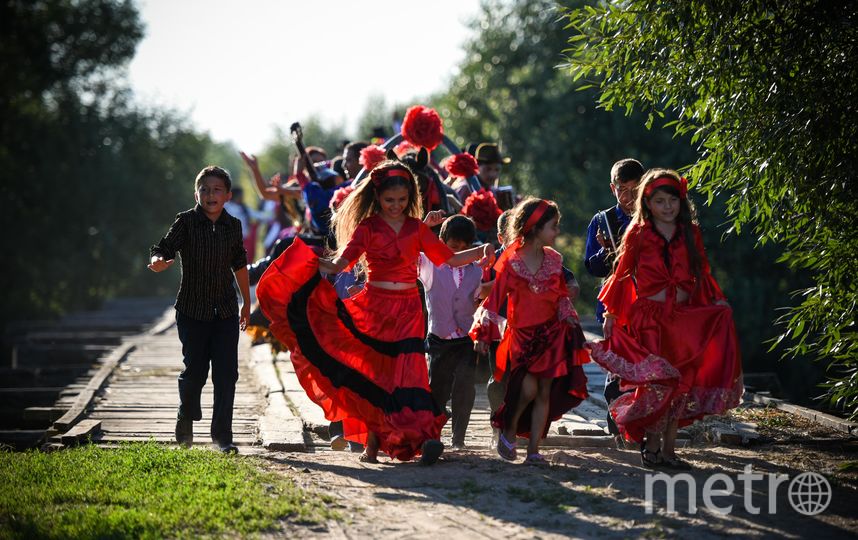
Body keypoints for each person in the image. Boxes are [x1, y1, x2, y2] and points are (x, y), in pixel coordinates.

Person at [256, 160, 494, 465]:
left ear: (411, 198)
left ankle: (423, 438)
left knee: (410, 375)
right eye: (389, 200)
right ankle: (372, 448)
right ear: (377, 198)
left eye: (402, 200)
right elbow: (340, 263)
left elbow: (448, 259)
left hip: (409, 310)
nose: (396, 206)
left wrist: (482, 252)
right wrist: (313, 263)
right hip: (374, 307)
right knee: (376, 377)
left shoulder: (417, 228)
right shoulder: (368, 227)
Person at [591, 168, 743, 470]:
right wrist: (611, 312)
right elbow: (621, 274)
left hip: (684, 322)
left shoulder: (691, 233)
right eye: (660, 201)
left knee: (681, 387)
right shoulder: (638, 233)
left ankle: (670, 452)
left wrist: (716, 302)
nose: (667, 207)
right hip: (651, 322)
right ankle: (652, 447)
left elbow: (703, 273)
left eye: (672, 200)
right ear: (648, 203)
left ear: (681, 201)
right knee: (659, 384)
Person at [471, 198, 589, 464]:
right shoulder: (512, 261)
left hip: (551, 336)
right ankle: (509, 430)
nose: (557, 232)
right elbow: (495, 297)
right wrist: (482, 331)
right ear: (536, 228)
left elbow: (560, 296)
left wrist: (569, 317)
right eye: (553, 226)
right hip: (522, 338)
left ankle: (534, 450)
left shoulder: (555, 260)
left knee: (544, 392)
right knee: (526, 391)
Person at [148, 166, 250, 453]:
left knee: (227, 373)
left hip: (226, 310)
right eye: (204, 189)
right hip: (192, 310)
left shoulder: (234, 225)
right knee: (195, 372)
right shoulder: (186, 222)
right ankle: (185, 416)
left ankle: (222, 437)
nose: (210, 194)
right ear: (197, 194)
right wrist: (158, 260)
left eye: (217, 190)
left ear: (228, 196)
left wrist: (247, 303)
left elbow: (239, 263)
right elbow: (164, 247)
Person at [583, 158, 643, 444]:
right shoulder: (602, 220)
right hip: (613, 305)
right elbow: (591, 267)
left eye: (634, 190)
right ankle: (619, 427)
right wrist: (607, 252)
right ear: (612, 188)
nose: (628, 198)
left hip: (646, 305)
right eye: (622, 190)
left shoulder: (652, 216)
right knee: (617, 371)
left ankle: (639, 426)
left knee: (644, 367)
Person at [419, 215, 483, 449]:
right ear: (441, 242)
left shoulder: (476, 271)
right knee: (437, 388)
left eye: (465, 249)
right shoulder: (429, 265)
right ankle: (432, 435)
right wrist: (424, 226)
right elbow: (409, 247)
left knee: (465, 387)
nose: (459, 254)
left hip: (466, 338)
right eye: (454, 248)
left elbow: (476, 298)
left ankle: (459, 438)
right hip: (439, 338)